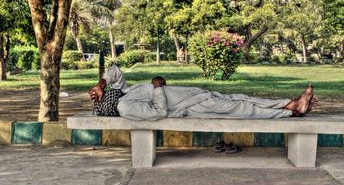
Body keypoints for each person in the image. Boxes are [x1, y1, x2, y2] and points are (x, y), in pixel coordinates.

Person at [89, 64, 318, 121]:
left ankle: (291, 105)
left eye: (104, 91)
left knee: (239, 99)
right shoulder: (124, 106)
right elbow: (159, 112)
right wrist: (158, 87)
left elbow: (114, 71)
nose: (107, 90)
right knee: (240, 108)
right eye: (105, 92)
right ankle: (290, 109)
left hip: (192, 94)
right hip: (190, 107)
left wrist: (100, 83)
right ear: (109, 102)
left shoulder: (123, 93)